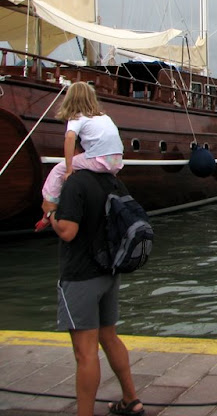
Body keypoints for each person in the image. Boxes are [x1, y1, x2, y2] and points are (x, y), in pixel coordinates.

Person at [50, 169, 145, 416]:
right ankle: (131, 399)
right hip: (108, 272)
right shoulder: (112, 181)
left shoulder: (76, 183)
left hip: (81, 276)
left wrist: (50, 212)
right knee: (109, 336)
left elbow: (67, 231)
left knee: (85, 352)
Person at [37, 81, 124, 231]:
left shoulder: (77, 117)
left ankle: (49, 207)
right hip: (116, 161)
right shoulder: (104, 117)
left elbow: (70, 137)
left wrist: (69, 169)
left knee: (58, 170)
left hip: (99, 160)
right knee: (85, 159)